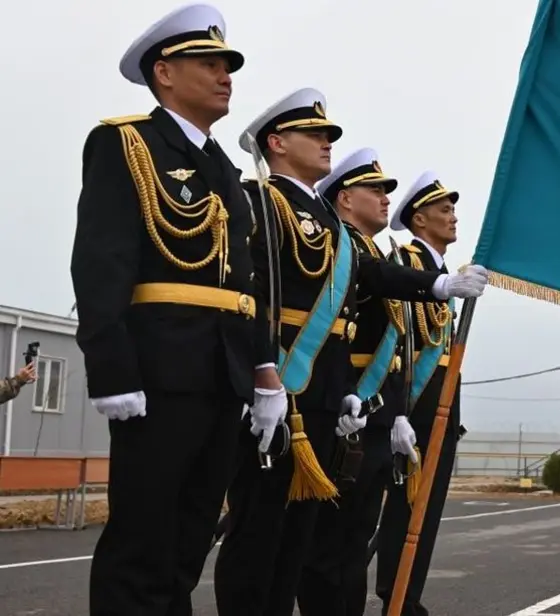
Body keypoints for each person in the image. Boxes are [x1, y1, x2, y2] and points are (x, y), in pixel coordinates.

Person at [213, 93, 487, 616]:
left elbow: (375, 277)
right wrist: (258, 371)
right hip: (278, 390)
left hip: (324, 398)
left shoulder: (330, 226)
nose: (326, 143)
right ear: (276, 143)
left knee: (299, 538)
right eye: (315, 136)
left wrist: (441, 283)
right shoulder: (260, 201)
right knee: (259, 530)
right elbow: (248, 294)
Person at [70, 4, 269, 615]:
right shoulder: (127, 143)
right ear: (164, 72)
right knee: (141, 545)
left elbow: (245, 286)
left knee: (187, 545)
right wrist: (112, 370)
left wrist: (264, 377)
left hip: (222, 376)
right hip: (156, 375)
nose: (224, 75)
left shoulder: (227, 173)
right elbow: (101, 263)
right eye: (208, 63)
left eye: (228, 65)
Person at [296, 148, 419, 616]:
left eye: (388, 190)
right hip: (348, 409)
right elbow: (335, 338)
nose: (386, 199)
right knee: (329, 543)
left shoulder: (369, 250)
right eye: (376, 190)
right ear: (345, 199)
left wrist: (397, 411)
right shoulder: (343, 250)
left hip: (375, 412)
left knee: (354, 540)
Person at [374, 170, 469, 616]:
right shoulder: (410, 264)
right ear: (419, 218)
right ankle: (398, 598)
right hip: (414, 405)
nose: (453, 218)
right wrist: (398, 410)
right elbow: (396, 342)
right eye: (444, 210)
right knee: (407, 510)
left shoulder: (438, 269)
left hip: (439, 408)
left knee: (425, 512)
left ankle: (407, 596)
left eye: (453, 210)